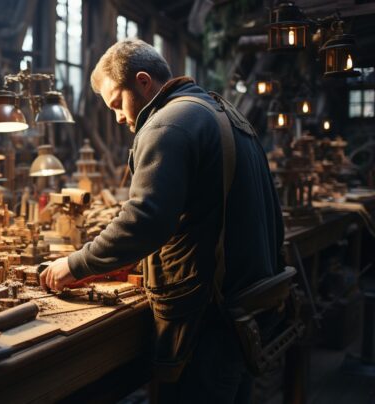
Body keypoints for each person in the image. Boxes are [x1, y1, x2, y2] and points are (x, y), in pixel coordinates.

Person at [39, 39, 285, 403]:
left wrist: (74, 265)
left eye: (116, 104)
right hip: (246, 306)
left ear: (143, 82)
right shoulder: (222, 112)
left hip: (209, 320)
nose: (119, 118)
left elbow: (145, 220)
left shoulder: (166, 125)